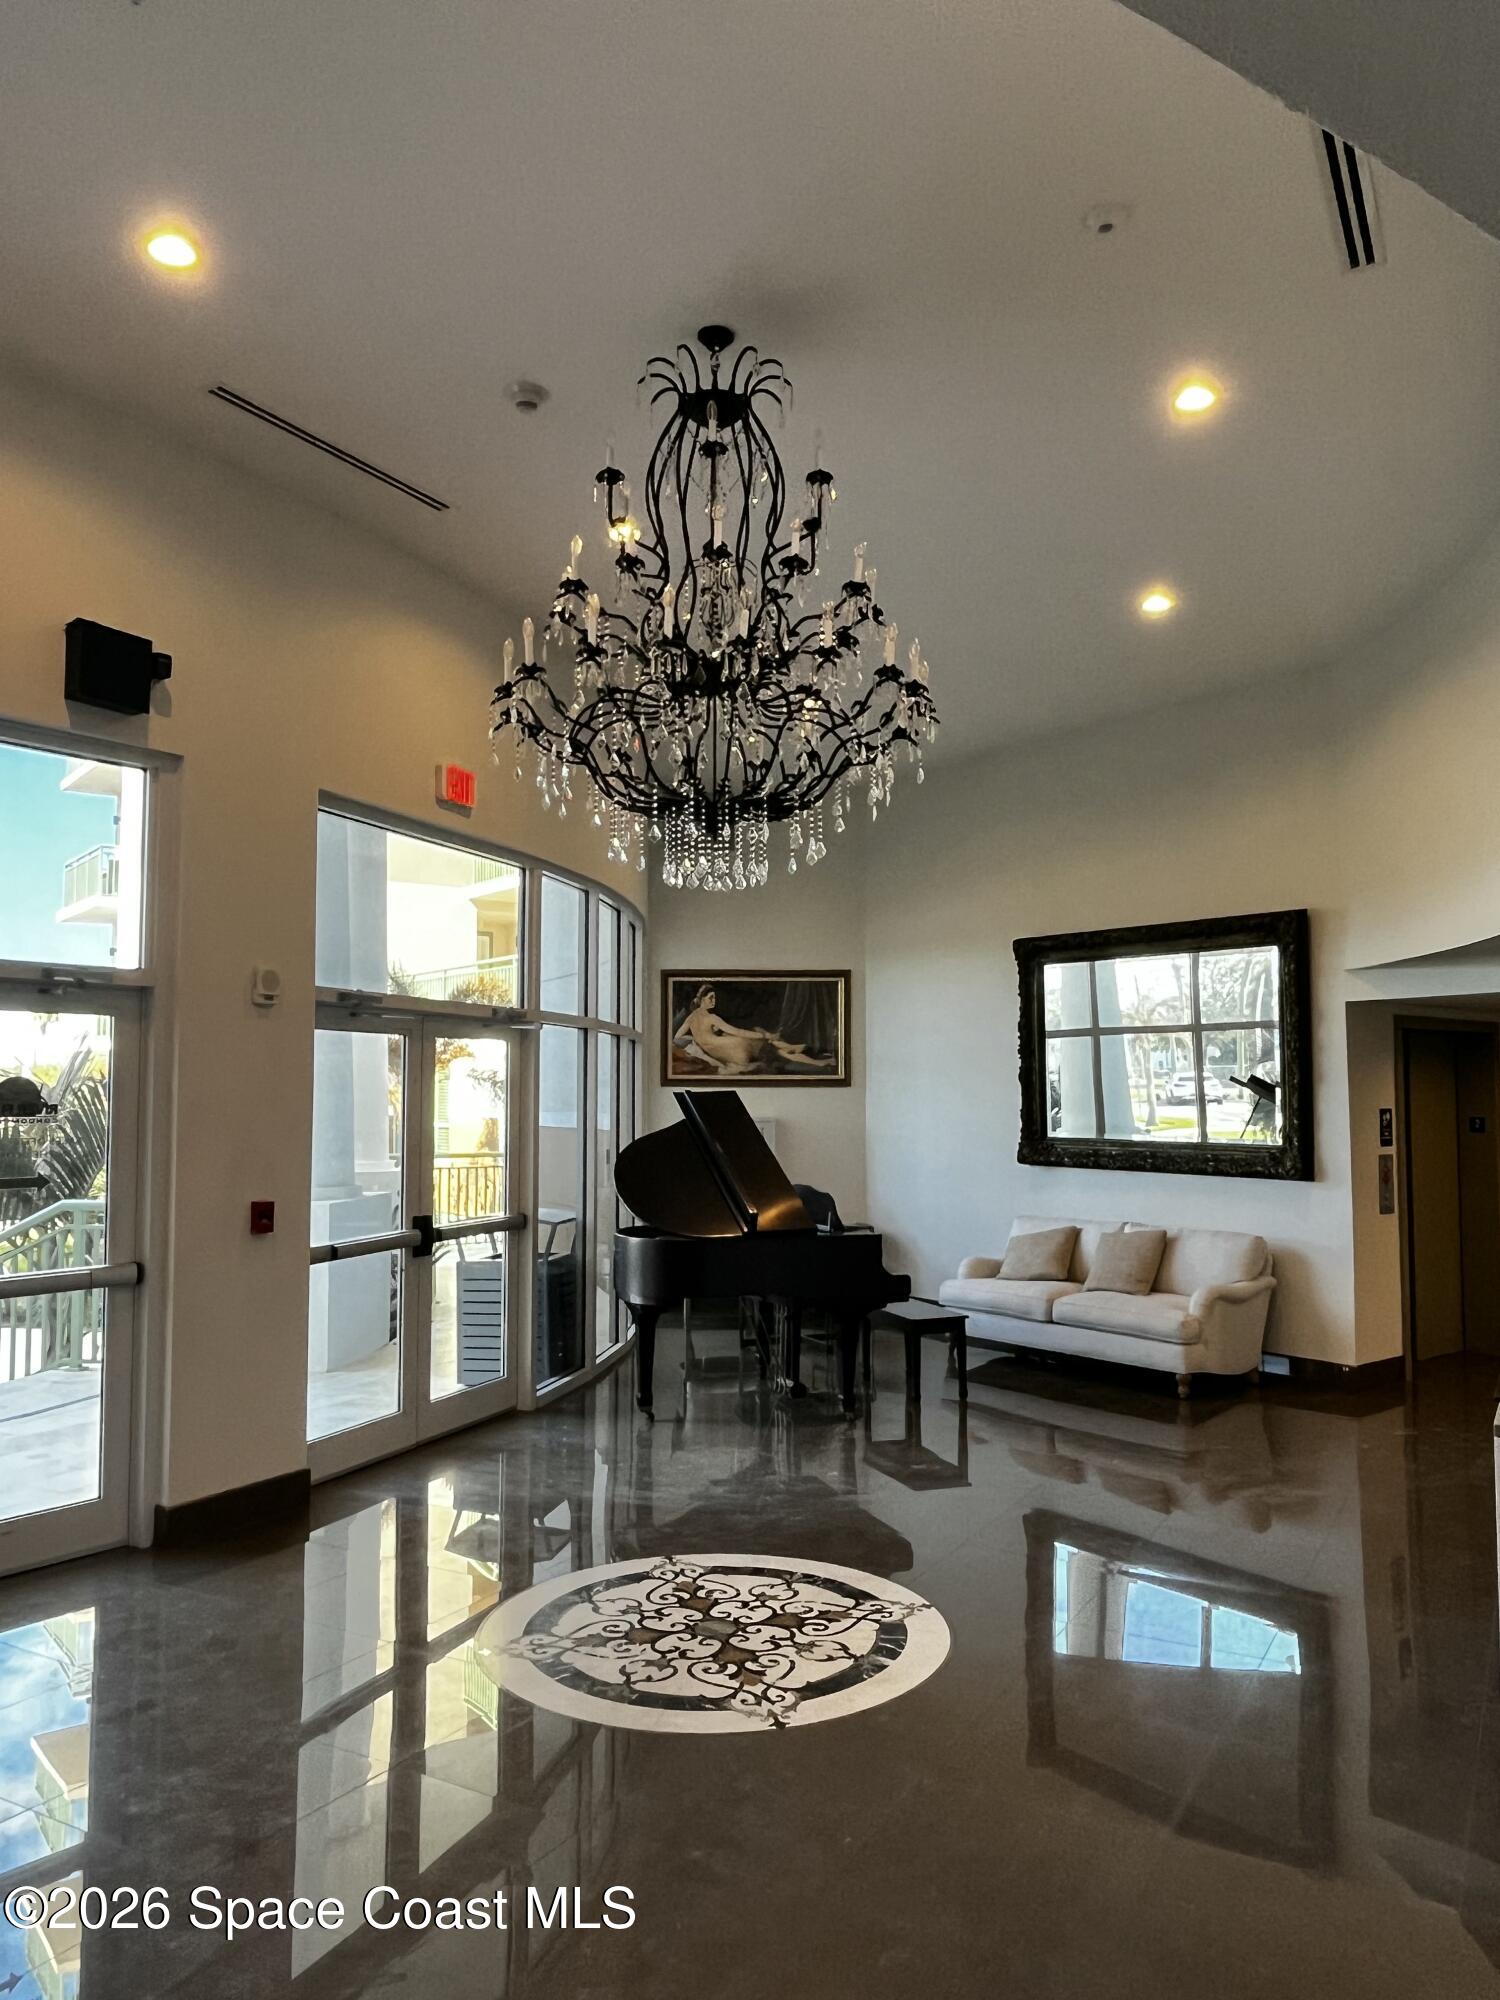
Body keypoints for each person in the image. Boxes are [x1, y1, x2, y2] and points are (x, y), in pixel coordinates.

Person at [672, 986, 834, 1076]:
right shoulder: (712, 1018)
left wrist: (696, 1042)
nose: (714, 1001)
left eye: (714, 997)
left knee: (771, 1044)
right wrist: (764, 1035)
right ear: (701, 1000)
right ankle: (817, 1061)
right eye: (710, 998)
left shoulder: (691, 1018)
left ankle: (790, 1046)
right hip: (740, 1047)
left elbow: (678, 1037)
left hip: (729, 1054)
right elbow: (739, 1032)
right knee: (778, 1051)